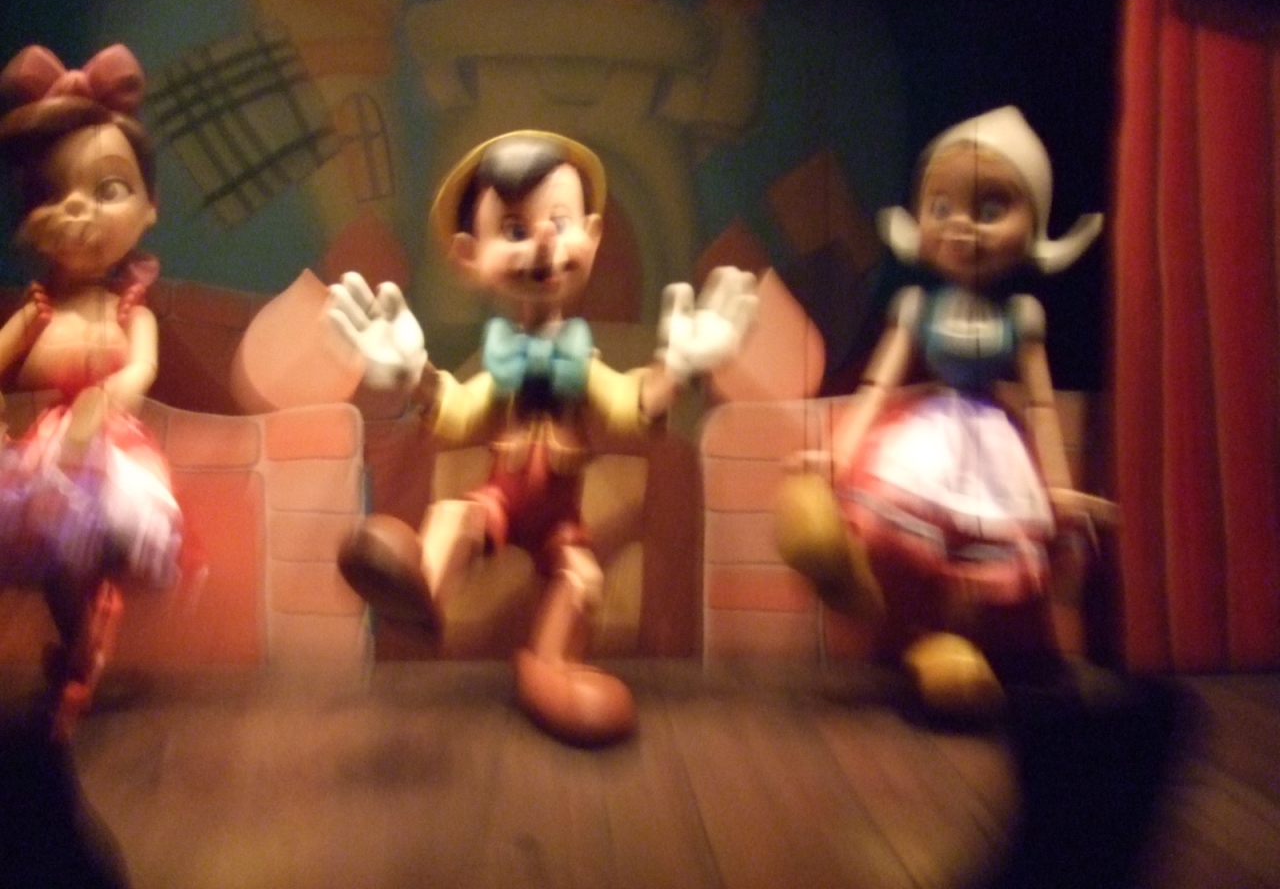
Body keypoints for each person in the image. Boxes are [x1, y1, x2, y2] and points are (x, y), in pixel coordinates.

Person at [330, 130, 756, 745]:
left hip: (560, 519)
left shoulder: (581, 365)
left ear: (593, 234)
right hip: (500, 499)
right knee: (455, 517)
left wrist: (678, 371)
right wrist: (415, 376)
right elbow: (459, 413)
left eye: (559, 222)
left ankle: (551, 665)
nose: (544, 243)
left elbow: (630, 408)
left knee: (581, 580)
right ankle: (420, 590)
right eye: (513, 229)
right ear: (469, 255)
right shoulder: (501, 364)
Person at [776, 106, 1112, 718]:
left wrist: (1059, 487)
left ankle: (965, 650)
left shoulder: (1021, 318)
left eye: (991, 208)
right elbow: (877, 384)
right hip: (929, 440)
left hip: (993, 446)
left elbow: (1040, 403)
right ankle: (905, 627)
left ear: (1034, 225)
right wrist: (838, 452)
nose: (962, 226)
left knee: (983, 557)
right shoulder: (917, 308)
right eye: (942, 207)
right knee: (898, 534)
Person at [0, 44, 185, 740]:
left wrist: (106, 402)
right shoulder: (38, 309)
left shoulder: (130, 310)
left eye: (109, 188)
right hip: (48, 449)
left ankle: (89, 632)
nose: (76, 208)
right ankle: (80, 640)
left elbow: (139, 371)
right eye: (51, 193)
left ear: (149, 207)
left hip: (109, 446)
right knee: (48, 535)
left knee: (94, 520)